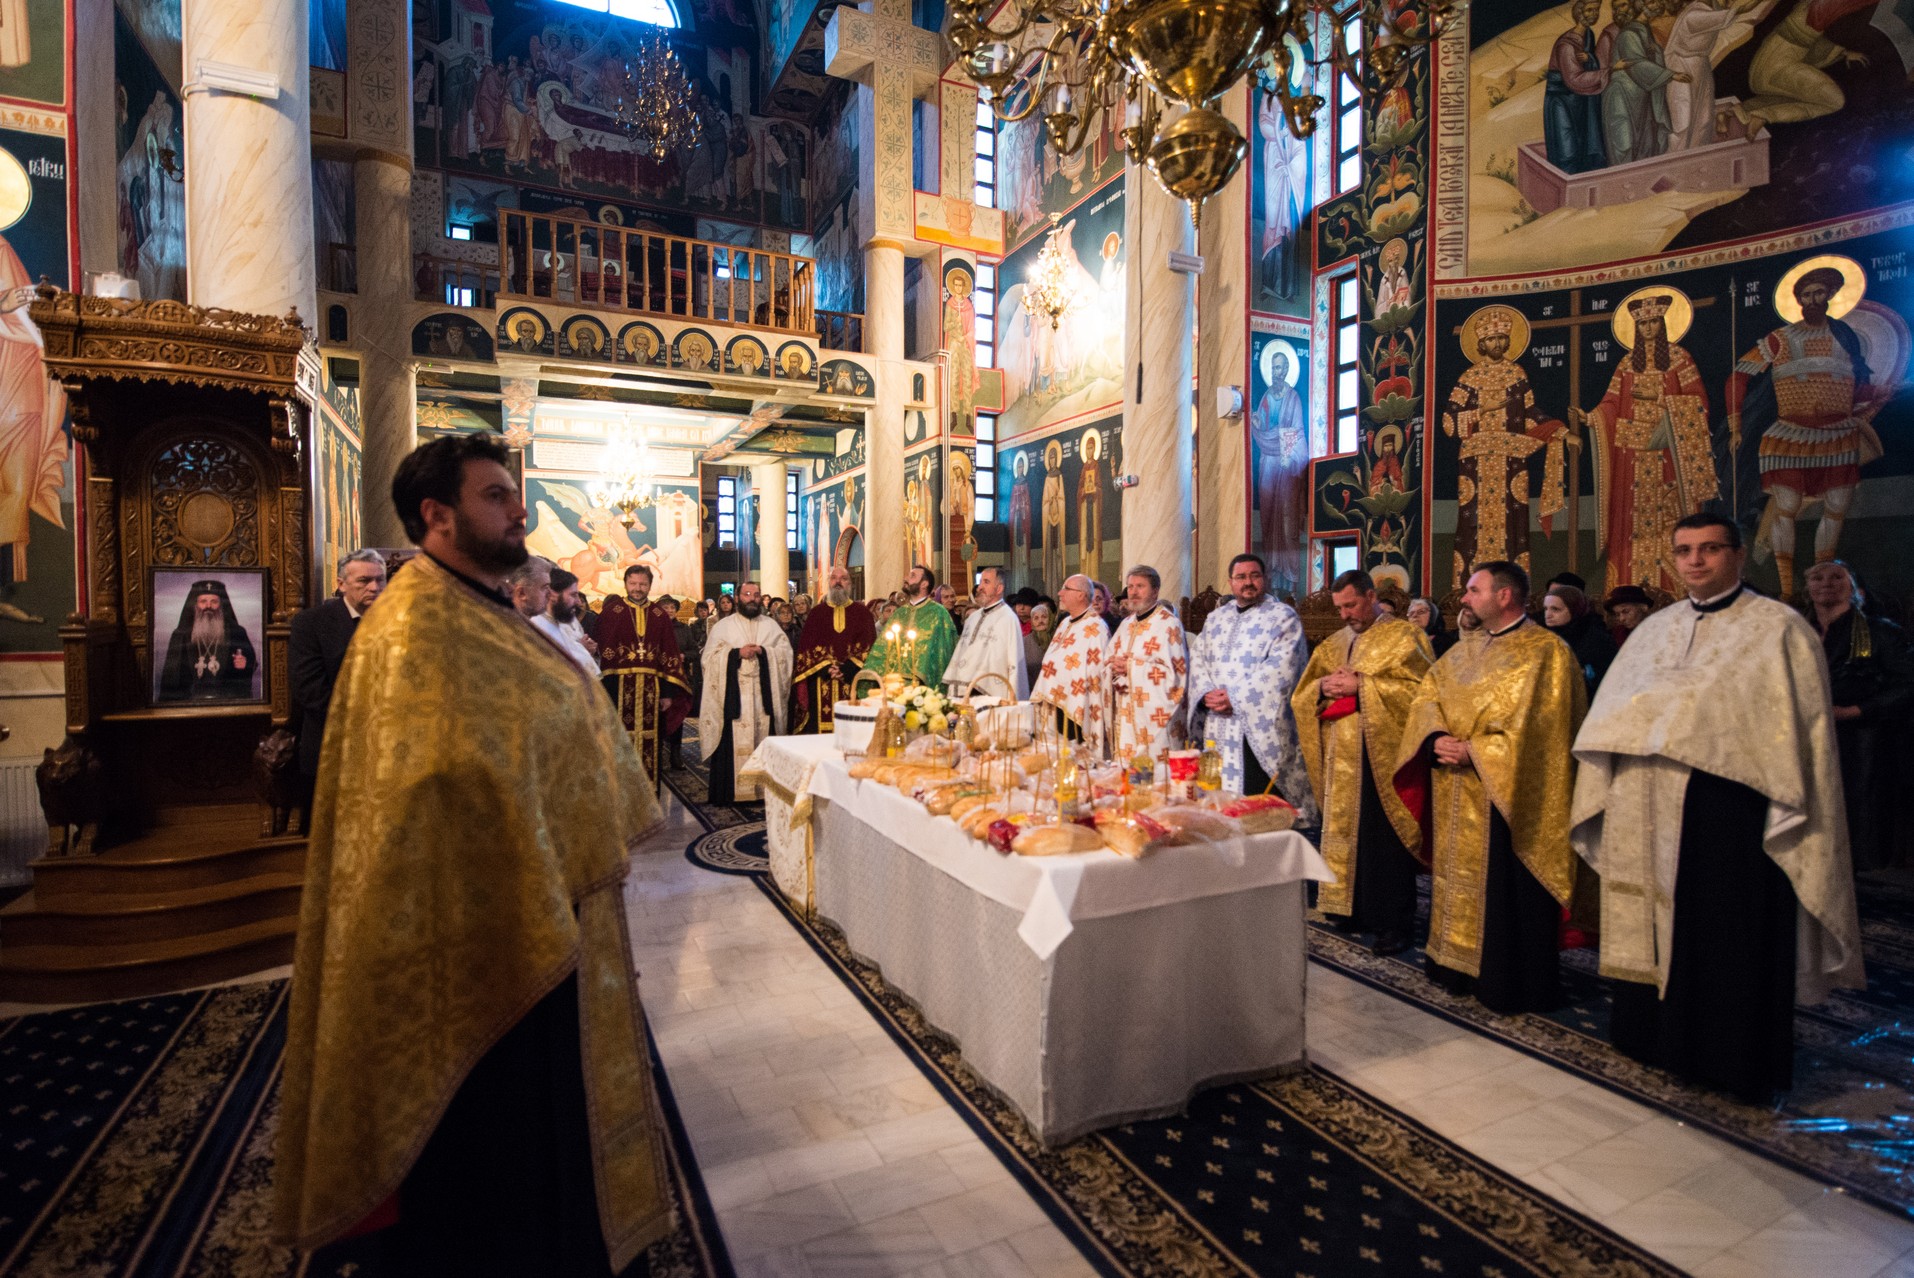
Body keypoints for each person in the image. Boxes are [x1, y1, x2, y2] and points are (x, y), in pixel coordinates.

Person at [276, 433, 672, 1274]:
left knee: (534, 1124)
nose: (518, 509)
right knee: (488, 1148)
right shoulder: (415, 627)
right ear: (438, 514)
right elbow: (425, 786)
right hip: (470, 920)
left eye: (514, 495)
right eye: (497, 495)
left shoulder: (476, 606)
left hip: (527, 892)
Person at [1574, 514, 1864, 1102]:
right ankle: (1651, 1038)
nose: (1695, 561)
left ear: (1737, 555)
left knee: (1727, 933)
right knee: (1648, 924)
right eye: (1684, 551)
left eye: (1709, 549)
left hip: (1730, 810)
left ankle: (1729, 1060)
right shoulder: (1655, 630)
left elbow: (1796, 735)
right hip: (1646, 803)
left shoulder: (1778, 629)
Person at [1393, 560, 1586, 1014]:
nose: (1463, 598)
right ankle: (1454, 965)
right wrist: (1436, 737)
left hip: (1510, 796)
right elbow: (1427, 696)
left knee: (1506, 888)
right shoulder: (1463, 649)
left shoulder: (1547, 653)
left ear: (1504, 596)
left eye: (1473, 589)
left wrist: (1477, 752)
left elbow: (1548, 734)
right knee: (1454, 877)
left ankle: (1507, 979)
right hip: (1455, 788)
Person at [1292, 570, 1434, 954]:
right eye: (1339, 608)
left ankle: (1393, 923)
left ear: (1371, 596)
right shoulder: (1334, 643)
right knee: (1344, 831)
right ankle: (1347, 907)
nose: (1344, 615)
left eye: (1351, 605)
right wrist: (1322, 687)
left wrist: (1364, 686)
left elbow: (1423, 694)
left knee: (1383, 840)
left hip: (1382, 756)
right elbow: (1303, 694)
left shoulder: (1406, 637)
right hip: (1340, 754)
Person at [1187, 555, 1316, 820]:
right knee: (1218, 795)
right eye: (1241, 577)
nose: (1248, 582)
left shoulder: (1282, 617)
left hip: (1257, 722)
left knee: (1259, 798)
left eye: (1254, 575)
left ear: (1265, 578)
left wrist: (1234, 697)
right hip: (1218, 720)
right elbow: (1198, 658)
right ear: (1230, 582)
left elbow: (1283, 667)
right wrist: (1205, 693)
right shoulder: (1215, 618)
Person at [1805, 560, 1914, 871]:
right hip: (1811, 738)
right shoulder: (1800, 632)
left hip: (1866, 743)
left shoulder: (1881, 632)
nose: (1826, 583)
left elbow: (1907, 685)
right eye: (1818, 577)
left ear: (1856, 590)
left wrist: (1854, 711)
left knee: (1862, 817)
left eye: (1837, 577)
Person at [289, 549, 386, 781]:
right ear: (342, 584)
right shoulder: (312, 623)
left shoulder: (400, 619)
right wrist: (368, 719)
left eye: (380, 579)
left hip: (387, 749)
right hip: (333, 745)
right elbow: (309, 690)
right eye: (364, 580)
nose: (374, 587)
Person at [596, 565, 692, 795]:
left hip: (653, 690)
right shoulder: (612, 612)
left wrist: (668, 693)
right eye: (633, 584)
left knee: (652, 742)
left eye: (643, 584)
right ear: (626, 583)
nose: (638, 589)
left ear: (649, 585)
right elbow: (603, 656)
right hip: (617, 689)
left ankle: (649, 796)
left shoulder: (659, 616)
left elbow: (668, 654)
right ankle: (621, 796)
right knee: (618, 740)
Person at [700, 581, 793, 804]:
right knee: (732, 742)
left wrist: (765, 652)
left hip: (763, 698)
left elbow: (786, 655)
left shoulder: (771, 626)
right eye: (747, 594)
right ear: (738, 597)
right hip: (734, 697)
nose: (751, 598)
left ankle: (764, 792)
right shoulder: (724, 626)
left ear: (761, 598)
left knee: (764, 737)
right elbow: (709, 659)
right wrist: (735, 654)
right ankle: (730, 793)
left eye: (756, 595)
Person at [1107, 566, 1189, 763]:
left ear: (1155, 590)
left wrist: (1131, 667)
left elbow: (1176, 677)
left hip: (1156, 717)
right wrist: (1113, 667)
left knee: (1156, 780)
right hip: (1127, 714)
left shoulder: (1169, 625)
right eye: (1130, 587)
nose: (1133, 592)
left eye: (1140, 586)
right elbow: (1108, 659)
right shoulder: (1126, 624)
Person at [790, 565, 877, 734]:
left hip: (853, 679)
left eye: (843, 579)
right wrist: (825, 668)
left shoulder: (862, 613)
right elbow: (807, 648)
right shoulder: (816, 613)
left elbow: (869, 646)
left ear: (850, 584)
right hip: (821, 680)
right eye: (834, 578)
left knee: (853, 730)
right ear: (829, 583)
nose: (838, 582)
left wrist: (848, 668)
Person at [1029, 575, 1109, 750]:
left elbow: (1096, 671)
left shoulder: (1096, 627)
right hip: (1053, 702)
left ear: (1081, 595)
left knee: (1074, 757)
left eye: (1066, 588)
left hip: (1077, 705)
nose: (1060, 593)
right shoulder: (1065, 623)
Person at [158, 578, 259, 701]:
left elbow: (251, 663)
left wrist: (245, 664)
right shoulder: (181, 635)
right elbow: (171, 676)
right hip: (189, 703)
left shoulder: (237, 632)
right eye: (203, 601)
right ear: (195, 605)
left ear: (221, 605)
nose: (208, 606)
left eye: (214, 601)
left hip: (227, 702)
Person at [1545, 0, 1614, 174]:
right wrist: (1609, 71)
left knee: (1583, 147)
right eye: (1589, 10)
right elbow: (1574, 79)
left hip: (1580, 101)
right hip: (1562, 102)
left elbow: (1590, 61)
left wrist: (1590, 59)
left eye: (1596, 10)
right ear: (1579, 12)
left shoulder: (1588, 35)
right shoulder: (1566, 45)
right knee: (1567, 151)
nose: (1593, 14)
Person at [862, 565, 958, 687]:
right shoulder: (899, 614)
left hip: (923, 686)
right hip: (894, 684)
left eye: (912, 575)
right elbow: (882, 646)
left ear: (924, 584)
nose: (905, 578)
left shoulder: (939, 613)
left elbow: (945, 650)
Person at [942, 566, 1029, 701]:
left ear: (999, 588)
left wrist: (1013, 699)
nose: (979, 587)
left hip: (989, 694)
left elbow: (1014, 664)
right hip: (964, 691)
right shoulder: (972, 618)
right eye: (981, 581)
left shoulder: (1008, 619)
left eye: (986, 582)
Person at [1543, 583, 1619, 693]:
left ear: (1575, 609)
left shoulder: (1598, 640)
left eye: (1555, 609)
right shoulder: (1542, 637)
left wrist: (1583, 673)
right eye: (1546, 609)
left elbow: (1610, 680)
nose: (1548, 615)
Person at [531, 564, 601, 678]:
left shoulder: (569, 619)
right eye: (573, 595)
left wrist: (587, 652)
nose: (578, 601)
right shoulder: (536, 624)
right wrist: (581, 649)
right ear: (552, 594)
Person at [1024, 601, 1055, 675]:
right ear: (1031, 621)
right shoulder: (1024, 642)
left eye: (1044, 617)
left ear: (1050, 618)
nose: (1040, 621)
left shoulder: (1058, 637)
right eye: (1036, 618)